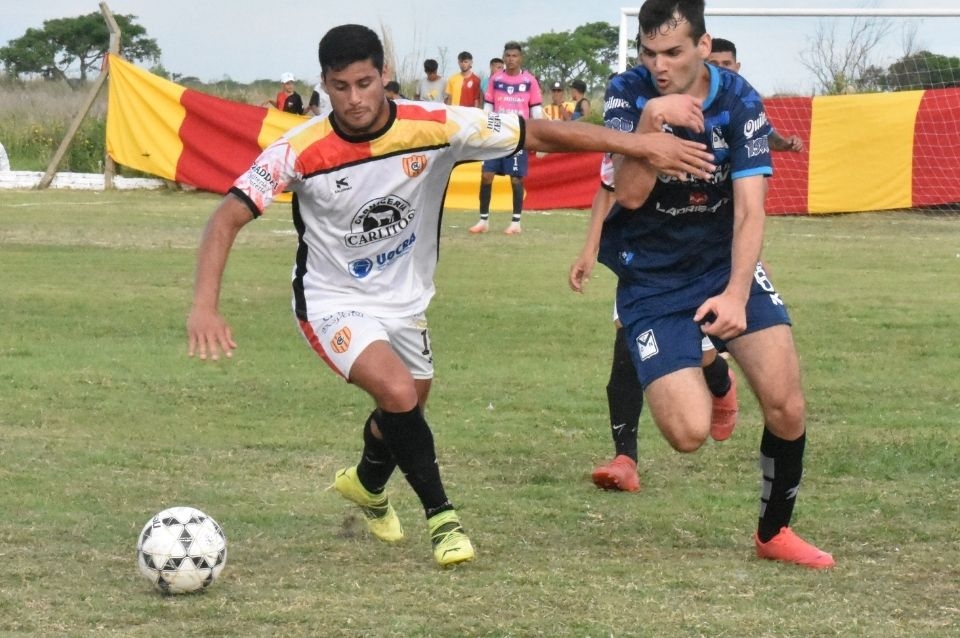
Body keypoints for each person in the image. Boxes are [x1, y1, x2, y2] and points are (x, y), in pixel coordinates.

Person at [186, 23, 714, 568]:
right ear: (324, 83)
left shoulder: (436, 125)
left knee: (408, 405)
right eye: (340, 87)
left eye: (365, 83)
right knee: (397, 393)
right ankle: (444, 521)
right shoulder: (299, 150)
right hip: (331, 300)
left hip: (405, 303)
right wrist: (204, 305)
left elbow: (538, 133)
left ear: (384, 74)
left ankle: (367, 483)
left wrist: (638, 144)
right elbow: (225, 218)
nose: (354, 99)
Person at [595, 0, 833, 569]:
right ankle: (713, 372)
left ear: (704, 46)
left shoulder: (739, 99)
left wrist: (736, 292)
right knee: (688, 433)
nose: (659, 65)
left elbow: (751, 210)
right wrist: (652, 122)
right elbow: (629, 194)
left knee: (787, 404)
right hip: (652, 279)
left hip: (722, 268)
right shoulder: (627, 93)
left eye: (673, 52)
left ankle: (773, 533)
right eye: (649, 53)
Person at [571, 152, 737, 493]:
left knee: (702, 353)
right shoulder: (627, 131)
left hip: (702, 259)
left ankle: (721, 382)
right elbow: (607, 188)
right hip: (645, 261)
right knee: (627, 339)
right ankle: (625, 459)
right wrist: (589, 249)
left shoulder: (714, 132)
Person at [469, 41, 544, 235]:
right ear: (504, 57)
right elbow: (488, 107)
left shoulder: (529, 81)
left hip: (518, 135)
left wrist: (539, 136)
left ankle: (516, 223)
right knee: (486, 176)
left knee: (516, 179)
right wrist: (484, 131)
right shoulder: (495, 79)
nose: (511, 59)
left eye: (515, 56)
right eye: (508, 56)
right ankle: (483, 220)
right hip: (496, 135)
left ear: (521, 58)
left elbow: (536, 110)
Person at [708, 38, 804, 152]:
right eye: (714, 64)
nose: (721, 69)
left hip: (738, 163)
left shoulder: (748, 100)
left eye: (726, 64)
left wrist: (785, 143)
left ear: (737, 67)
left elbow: (766, 136)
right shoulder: (693, 99)